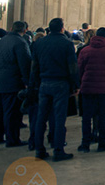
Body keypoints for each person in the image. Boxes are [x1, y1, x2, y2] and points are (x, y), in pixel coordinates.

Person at [31, 17, 78, 162]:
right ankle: (58, 150)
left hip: (44, 83)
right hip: (60, 84)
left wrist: (34, 84)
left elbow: (34, 67)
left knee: (41, 118)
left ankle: (39, 150)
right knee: (59, 118)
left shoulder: (38, 43)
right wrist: (75, 86)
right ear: (62, 28)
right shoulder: (67, 43)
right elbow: (72, 68)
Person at [0, 21, 31, 147]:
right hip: (11, 83)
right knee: (11, 113)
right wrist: (28, 82)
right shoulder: (20, 43)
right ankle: (12, 140)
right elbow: (25, 64)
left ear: (11, 28)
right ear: (24, 30)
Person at [77, 27, 105, 153]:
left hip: (87, 87)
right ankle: (102, 142)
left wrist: (82, 81)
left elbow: (79, 69)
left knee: (86, 117)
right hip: (103, 88)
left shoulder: (85, 50)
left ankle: (85, 144)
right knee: (102, 116)